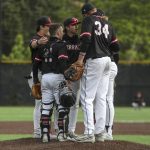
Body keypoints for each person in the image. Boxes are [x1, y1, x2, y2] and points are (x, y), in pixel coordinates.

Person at [74, 3, 119, 143]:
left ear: (87, 13)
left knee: (87, 97)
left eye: (84, 15)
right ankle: (100, 133)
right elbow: (116, 46)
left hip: (95, 60)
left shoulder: (89, 20)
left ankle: (89, 133)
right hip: (108, 61)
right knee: (101, 97)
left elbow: (86, 38)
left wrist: (80, 58)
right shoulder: (107, 23)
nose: (84, 17)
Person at [32, 23, 71, 143]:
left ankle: (44, 134)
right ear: (58, 32)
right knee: (62, 106)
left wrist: (36, 81)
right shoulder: (61, 45)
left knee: (46, 107)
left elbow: (35, 64)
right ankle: (60, 133)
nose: (63, 33)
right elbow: (62, 63)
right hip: (58, 77)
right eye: (61, 31)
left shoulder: (43, 45)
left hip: (45, 78)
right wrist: (67, 78)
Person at [28, 16, 51, 138]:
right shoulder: (36, 38)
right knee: (39, 103)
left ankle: (45, 131)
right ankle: (37, 131)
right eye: (47, 25)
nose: (49, 27)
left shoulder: (47, 38)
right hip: (37, 74)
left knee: (46, 103)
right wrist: (38, 42)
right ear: (41, 26)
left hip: (46, 74)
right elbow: (32, 44)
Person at [62, 17, 81, 139]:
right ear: (68, 27)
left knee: (75, 103)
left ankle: (71, 131)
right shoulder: (62, 40)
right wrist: (65, 76)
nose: (76, 27)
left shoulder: (80, 40)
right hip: (62, 75)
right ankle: (60, 130)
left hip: (76, 75)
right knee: (62, 103)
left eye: (76, 24)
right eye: (74, 25)